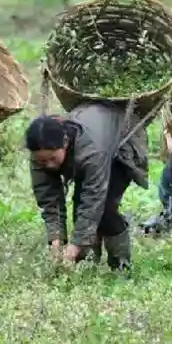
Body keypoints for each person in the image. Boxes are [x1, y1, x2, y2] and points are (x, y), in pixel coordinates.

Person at [26, 105, 149, 273]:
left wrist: (75, 245)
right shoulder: (39, 153)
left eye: (53, 158)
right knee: (80, 209)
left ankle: (121, 266)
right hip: (92, 140)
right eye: (42, 161)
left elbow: (93, 199)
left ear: (65, 142)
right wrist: (56, 240)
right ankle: (87, 266)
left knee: (105, 210)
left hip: (123, 141)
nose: (49, 165)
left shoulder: (92, 150)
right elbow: (49, 199)